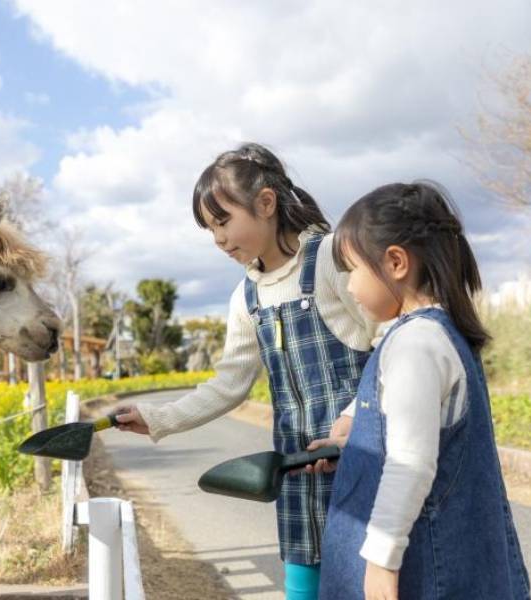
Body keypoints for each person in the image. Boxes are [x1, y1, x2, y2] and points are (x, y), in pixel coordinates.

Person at [115, 143, 380, 600]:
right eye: (209, 229)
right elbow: (228, 385)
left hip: (362, 459)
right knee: (302, 588)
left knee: (368, 582)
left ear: (265, 204)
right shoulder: (247, 298)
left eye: (223, 221)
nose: (218, 239)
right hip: (298, 471)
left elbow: (388, 344)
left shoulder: (330, 260)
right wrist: (157, 418)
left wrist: (357, 416)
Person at [311, 181, 530, 599]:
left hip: (422, 572)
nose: (350, 287)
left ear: (396, 262)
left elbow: (411, 462)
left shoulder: (415, 343)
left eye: (352, 270)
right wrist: (352, 442)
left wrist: (380, 562)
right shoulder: (433, 334)